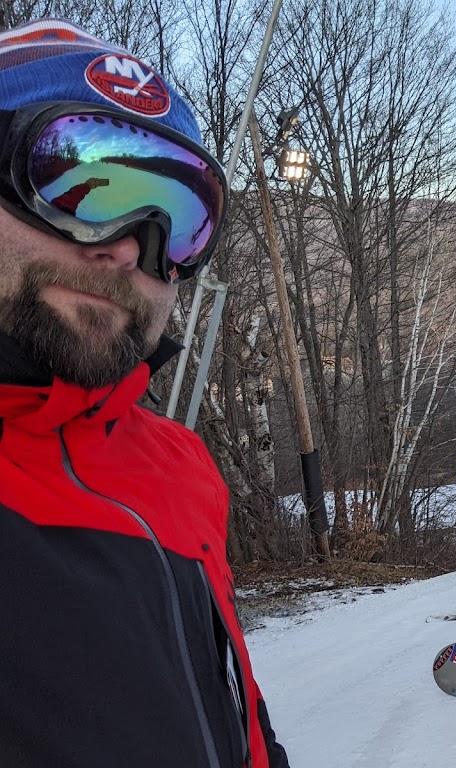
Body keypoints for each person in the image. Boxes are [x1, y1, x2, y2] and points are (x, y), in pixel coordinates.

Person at [0, 19, 288, 767]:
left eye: (179, 218)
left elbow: (231, 706)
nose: (128, 245)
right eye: (73, 179)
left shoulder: (177, 461)